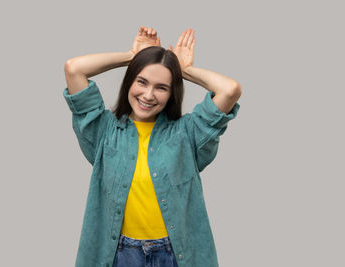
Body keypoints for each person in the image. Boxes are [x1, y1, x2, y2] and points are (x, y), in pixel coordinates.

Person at [63, 26, 241, 267]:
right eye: (142, 82)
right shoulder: (103, 130)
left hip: (174, 255)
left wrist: (184, 70)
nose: (148, 95)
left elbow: (230, 90)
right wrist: (131, 55)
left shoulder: (187, 133)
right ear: (130, 82)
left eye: (161, 87)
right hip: (120, 255)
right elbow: (74, 69)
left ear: (171, 94)